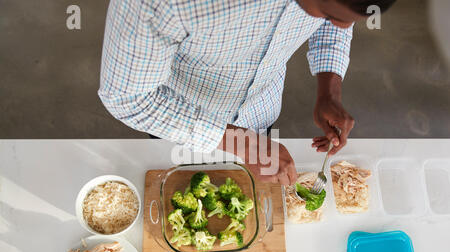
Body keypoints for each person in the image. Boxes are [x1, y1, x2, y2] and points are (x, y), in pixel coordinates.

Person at [98, 0, 396, 185]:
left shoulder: (338, 7)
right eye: (327, 14)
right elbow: (129, 97)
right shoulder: (163, 4)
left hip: (261, 109)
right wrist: (244, 145)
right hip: (178, 120)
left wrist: (328, 91)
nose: (342, 26)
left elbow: (341, 19)